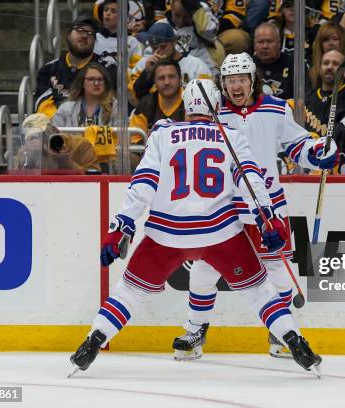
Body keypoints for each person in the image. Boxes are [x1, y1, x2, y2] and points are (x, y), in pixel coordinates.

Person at [69, 79, 322, 377]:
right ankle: (294, 340)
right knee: (260, 292)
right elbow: (250, 181)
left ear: (186, 106)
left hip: (167, 233)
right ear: (217, 106)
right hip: (220, 232)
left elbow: (144, 183)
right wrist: (268, 217)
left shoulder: (163, 133)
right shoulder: (231, 135)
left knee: (129, 292)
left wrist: (121, 227)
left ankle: (94, 340)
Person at [171, 53, 338, 360]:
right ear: (222, 83)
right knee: (205, 268)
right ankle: (195, 331)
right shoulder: (213, 113)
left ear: (253, 80)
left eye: (241, 79)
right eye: (230, 81)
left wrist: (318, 151)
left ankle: (280, 334)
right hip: (223, 208)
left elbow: (297, 145)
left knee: (277, 271)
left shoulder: (276, 108)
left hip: (266, 207)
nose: (236, 86)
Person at [34, 15, 117, 118]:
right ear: (68, 35)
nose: (85, 35)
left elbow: (111, 103)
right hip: (58, 128)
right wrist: (64, 123)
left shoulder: (107, 66)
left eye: (90, 33)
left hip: (95, 127)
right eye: (80, 30)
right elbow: (43, 105)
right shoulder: (49, 69)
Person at [129, 22, 212, 103]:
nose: (159, 52)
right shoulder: (146, 64)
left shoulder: (196, 64)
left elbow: (208, 96)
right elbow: (133, 99)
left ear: (173, 42)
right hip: (155, 114)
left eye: (163, 46)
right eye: (154, 48)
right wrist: (147, 73)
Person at [13, 113, 101, 174]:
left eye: (44, 135)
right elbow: (15, 182)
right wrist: (28, 160)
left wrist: (68, 164)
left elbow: (96, 179)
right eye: (33, 137)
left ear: (54, 130)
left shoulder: (80, 144)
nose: (42, 140)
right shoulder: (25, 151)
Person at [304, 50, 345, 137]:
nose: (330, 67)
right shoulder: (306, 99)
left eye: (335, 64)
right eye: (326, 63)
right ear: (319, 70)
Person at [94, 0, 144, 72]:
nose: (108, 13)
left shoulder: (132, 42)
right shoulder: (93, 38)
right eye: (105, 10)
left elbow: (136, 70)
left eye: (113, 11)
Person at [253, 22, 294, 99]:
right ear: (254, 44)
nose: (265, 46)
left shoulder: (294, 64)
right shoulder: (247, 66)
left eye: (269, 41)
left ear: (279, 43)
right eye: (261, 42)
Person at [308, 22, 345, 90]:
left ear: (342, 42)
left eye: (335, 39)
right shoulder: (312, 68)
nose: (331, 43)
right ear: (321, 44)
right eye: (326, 40)